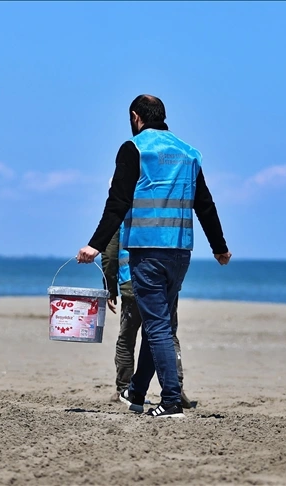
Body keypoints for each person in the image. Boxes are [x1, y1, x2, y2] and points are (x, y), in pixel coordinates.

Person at [77, 94, 231, 418]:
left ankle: (171, 400)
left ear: (136, 117)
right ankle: (136, 392)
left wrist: (94, 246)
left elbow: (117, 202)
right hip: (181, 252)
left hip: (147, 252)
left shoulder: (135, 148)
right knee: (155, 323)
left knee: (157, 326)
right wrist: (219, 246)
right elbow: (205, 203)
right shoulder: (189, 152)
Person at [101, 222, 194, 409]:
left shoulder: (123, 213)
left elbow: (109, 253)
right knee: (167, 334)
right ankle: (176, 387)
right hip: (164, 280)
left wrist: (109, 287)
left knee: (127, 337)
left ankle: (125, 388)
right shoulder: (163, 211)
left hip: (131, 281)